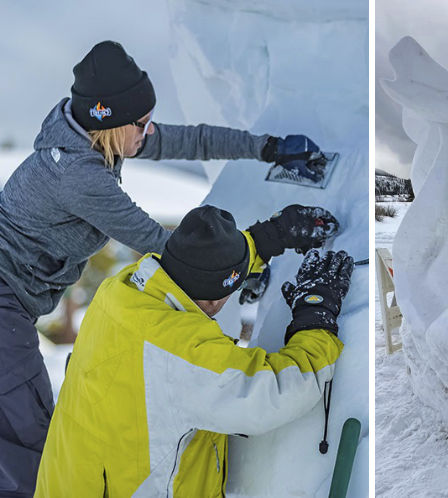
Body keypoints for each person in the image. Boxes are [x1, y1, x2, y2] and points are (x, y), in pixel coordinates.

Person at [0, 40, 335, 495]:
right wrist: (253, 253)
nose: (150, 130)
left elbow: (190, 138)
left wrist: (268, 148)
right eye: (143, 123)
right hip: (3, 309)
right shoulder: (78, 178)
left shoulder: (95, 132)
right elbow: (168, 249)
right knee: (35, 442)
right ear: (112, 120)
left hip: (15, 306)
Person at [35, 205, 353, 496]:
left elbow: (198, 265)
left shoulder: (120, 291)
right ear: (215, 300)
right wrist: (315, 312)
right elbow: (277, 391)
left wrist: (264, 240)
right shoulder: (183, 353)